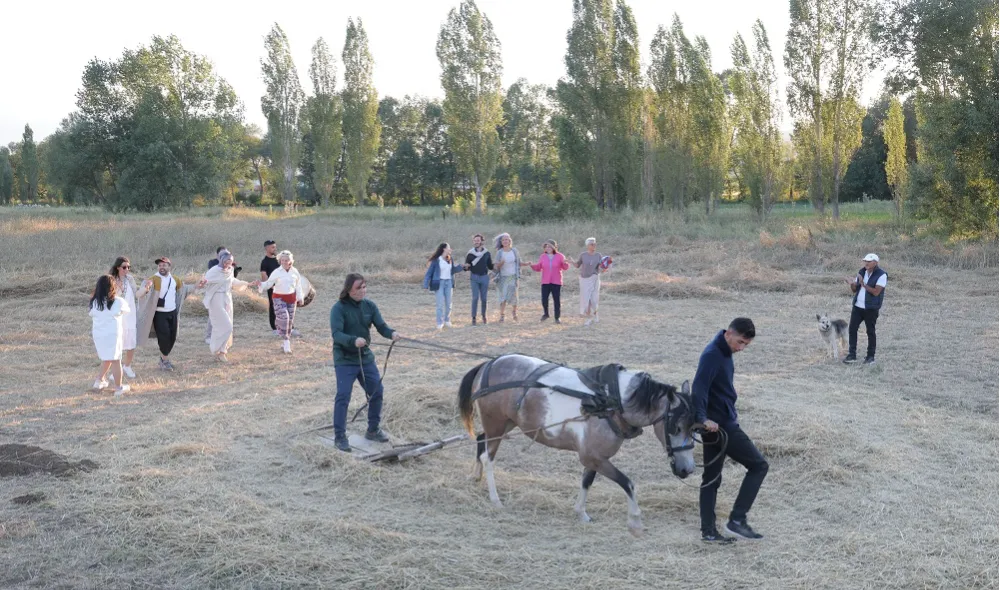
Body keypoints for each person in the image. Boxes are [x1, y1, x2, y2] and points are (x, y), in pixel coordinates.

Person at [693, 317, 769, 544]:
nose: (741, 348)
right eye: (740, 342)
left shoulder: (724, 352)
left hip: (720, 422)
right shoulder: (713, 355)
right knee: (759, 465)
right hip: (719, 426)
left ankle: (708, 532)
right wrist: (702, 419)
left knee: (711, 478)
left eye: (746, 345)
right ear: (728, 334)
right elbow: (698, 387)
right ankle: (737, 520)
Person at [329, 273, 402, 452]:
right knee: (343, 396)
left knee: (377, 392)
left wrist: (392, 333)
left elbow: (382, 327)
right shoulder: (338, 308)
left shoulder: (370, 306)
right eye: (358, 288)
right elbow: (337, 334)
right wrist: (353, 340)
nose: (363, 291)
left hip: (365, 357)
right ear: (348, 290)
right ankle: (339, 436)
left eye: (364, 287)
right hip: (345, 359)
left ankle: (373, 429)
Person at [136, 257, 196, 371]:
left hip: (172, 312)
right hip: (159, 314)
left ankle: (163, 359)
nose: (161, 267)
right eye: (159, 265)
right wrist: (146, 288)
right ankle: (164, 361)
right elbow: (140, 294)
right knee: (164, 337)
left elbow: (185, 289)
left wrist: (198, 286)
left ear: (169, 267)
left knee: (172, 337)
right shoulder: (153, 279)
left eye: (164, 265)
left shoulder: (175, 280)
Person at [197, 251, 256, 362]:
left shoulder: (230, 270)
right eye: (226, 261)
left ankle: (222, 351)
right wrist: (202, 283)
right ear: (221, 260)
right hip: (216, 300)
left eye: (230, 262)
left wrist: (247, 283)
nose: (227, 264)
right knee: (225, 326)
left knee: (228, 324)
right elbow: (205, 282)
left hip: (227, 299)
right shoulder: (213, 271)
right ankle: (215, 348)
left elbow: (232, 281)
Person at [88, 274, 131, 396]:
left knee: (107, 357)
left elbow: (92, 314)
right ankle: (119, 387)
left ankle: (99, 380)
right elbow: (127, 310)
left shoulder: (94, 302)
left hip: (98, 334)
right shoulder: (118, 301)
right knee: (116, 359)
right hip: (113, 335)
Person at [110, 257, 151, 379]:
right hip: (117, 315)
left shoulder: (130, 279)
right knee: (117, 343)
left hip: (130, 314)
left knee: (131, 342)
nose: (126, 269)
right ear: (118, 267)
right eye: (124, 267)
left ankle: (127, 366)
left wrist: (146, 288)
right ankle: (115, 370)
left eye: (128, 267)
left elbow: (137, 294)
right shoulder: (111, 280)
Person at [843, 253, 887, 365]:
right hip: (858, 306)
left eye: (869, 261)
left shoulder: (882, 275)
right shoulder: (861, 271)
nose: (866, 263)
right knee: (852, 329)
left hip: (871, 308)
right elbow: (854, 290)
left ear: (875, 263)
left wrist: (863, 283)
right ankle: (852, 355)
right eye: (865, 261)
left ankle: (870, 357)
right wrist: (852, 284)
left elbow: (876, 292)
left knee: (870, 332)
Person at [258, 250, 305, 353]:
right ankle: (287, 341)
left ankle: (284, 341)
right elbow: (269, 283)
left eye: (286, 260)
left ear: (291, 261)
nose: (284, 262)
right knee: (284, 318)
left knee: (290, 321)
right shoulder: (277, 272)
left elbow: (298, 285)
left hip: (291, 299)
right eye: (282, 260)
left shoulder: (295, 271)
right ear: (280, 261)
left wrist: (300, 297)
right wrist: (260, 285)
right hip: (278, 298)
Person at [422, 242, 466, 330]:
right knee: (440, 304)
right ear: (444, 249)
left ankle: (447, 320)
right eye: (449, 248)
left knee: (449, 303)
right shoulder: (436, 260)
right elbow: (429, 273)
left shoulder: (450, 259)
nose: (450, 249)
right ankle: (439, 322)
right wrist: (425, 284)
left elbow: (453, 270)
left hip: (449, 282)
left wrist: (462, 267)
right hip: (439, 283)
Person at [526, 239, 570, 324]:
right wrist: (532, 265)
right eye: (546, 246)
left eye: (550, 246)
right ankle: (546, 314)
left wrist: (566, 263)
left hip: (556, 281)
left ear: (554, 247)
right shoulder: (542, 256)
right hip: (545, 281)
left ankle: (557, 317)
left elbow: (565, 267)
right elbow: (539, 267)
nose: (548, 248)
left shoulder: (560, 256)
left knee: (556, 300)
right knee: (544, 299)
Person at [571, 237, 607, 326]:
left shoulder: (598, 255)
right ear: (587, 245)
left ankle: (595, 315)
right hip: (584, 279)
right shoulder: (583, 255)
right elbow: (577, 265)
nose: (594, 245)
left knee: (594, 299)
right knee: (586, 299)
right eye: (592, 244)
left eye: (595, 244)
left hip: (594, 278)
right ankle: (588, 318)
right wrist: (571, 262)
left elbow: (601, 267)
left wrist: (604, 268)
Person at [492, 232, 523, 323]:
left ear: (510, 241)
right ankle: (502, 315)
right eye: (503, 240)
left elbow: (519, 262)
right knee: (503, 297)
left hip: (513, 276)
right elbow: (496, 267)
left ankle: (514, 313)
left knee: (514, 296)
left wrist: (527, 264)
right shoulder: (499, 252)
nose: (505, 241)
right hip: (502, 277)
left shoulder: (514, 251)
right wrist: (501, 263)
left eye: (507, 239)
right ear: (501, 242)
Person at [465, 234, 494, 325]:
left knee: (484, 298)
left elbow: (490, 266)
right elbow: (467, 267)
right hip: (474, 277)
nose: (476, 242)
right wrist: (466, 267)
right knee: (475, 298)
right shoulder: (470, 254)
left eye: (478, 240)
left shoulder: (487, 253)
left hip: (485, 277)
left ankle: (484, 316)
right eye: (475, 240)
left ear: (482, 241)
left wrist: (498, 265)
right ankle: (473, 317)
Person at [260, 240, 281, 336]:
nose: (274, 249)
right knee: (273, 307)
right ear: (266, 248)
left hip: (282, 287)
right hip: (272, 288)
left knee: (284, 306)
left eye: (275, 247)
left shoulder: (278, 260)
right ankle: (274, 328)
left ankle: (288, 327)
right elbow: (264, 276)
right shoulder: (264, 262)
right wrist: (271, 286)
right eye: (272, 247)